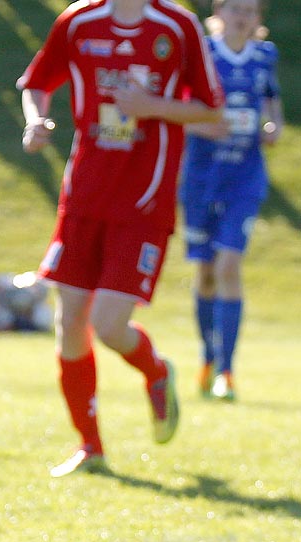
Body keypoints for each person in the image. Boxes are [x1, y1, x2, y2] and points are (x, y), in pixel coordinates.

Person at [18, 0, 224, 478]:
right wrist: (36, 120)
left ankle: (156, 371)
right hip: (84, 195)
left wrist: (151, 107)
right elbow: (37, 83)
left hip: (144, 200)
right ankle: (91, 447)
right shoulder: (78, 21)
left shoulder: (177, 25)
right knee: (70, 323)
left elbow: (211, 110)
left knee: (109, 326)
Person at [180, 0, 282, 403]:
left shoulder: (264, 55)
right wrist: (207, 125)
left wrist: (274, 124)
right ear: (218, 12)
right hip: (202, 179)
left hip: (245, 177)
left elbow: (272, 100)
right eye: (235, 8)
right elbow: (180, 108)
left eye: (251, 10)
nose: (243, 16)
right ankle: (208, 357)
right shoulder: (201, 52)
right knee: (205, 274)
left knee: (228, 265)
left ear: (259, 18)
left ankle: (227, 370)